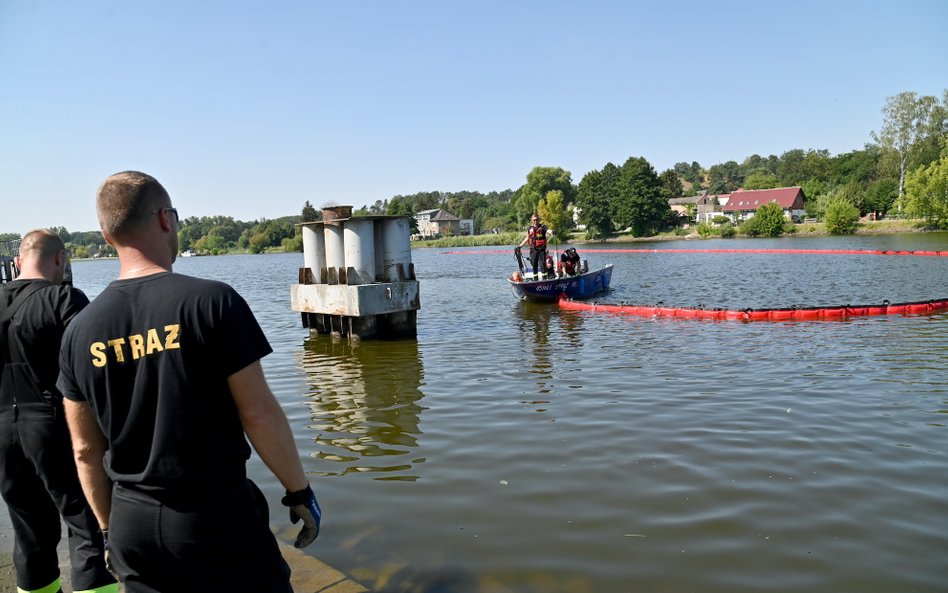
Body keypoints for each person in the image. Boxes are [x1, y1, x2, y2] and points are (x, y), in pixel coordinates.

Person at [58, 171, 321, 593]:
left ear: (107, 236)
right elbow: (258, 413)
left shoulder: (79, 330)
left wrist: (109, 530)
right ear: (166, 219)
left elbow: (86, 449)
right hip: (213, 514)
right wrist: (298, 491)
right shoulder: (212, 302)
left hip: (131, 522)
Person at [0, 230, 116, 593]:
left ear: (18, 262)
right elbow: (95, 371)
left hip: (2, 431)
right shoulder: (64, 299)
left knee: (28, 531)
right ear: (60, 260)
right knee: (85, 525)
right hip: (54, 425)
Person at [517, 214, 552, 279]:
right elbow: (527, 237)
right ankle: (535, 280)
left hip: (541, 249)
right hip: (533, 249)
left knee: (542, 265)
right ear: (532, 220)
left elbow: (548, 230)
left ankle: (545, 279)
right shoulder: (530, 228)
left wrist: (552, 231)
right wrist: (520, 246)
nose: (535, 221)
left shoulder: (543, 227)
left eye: (537, 220)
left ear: (539, 219)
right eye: (534, 220)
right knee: (534, 265)